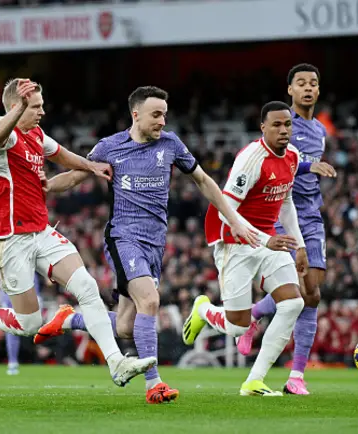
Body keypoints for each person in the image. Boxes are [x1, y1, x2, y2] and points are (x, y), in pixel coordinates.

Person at [33, 85, 252, 404]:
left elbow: (203, 181)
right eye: (156, 114)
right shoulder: (111, 147)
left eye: (164, 114)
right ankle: (155, 384)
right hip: (123, 237)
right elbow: (76, 175)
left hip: (155, 242)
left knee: (126, 326)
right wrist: (47, 187)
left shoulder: (172, 144)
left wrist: (232, 218)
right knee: (150, 301)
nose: (163, 121)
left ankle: (70, 319)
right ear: (136, 114)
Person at [0, 78, 156, 387]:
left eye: (41, 105)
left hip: (40, 232)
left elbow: (59, 154)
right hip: (9, 239)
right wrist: (19, 108)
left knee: (86, 287)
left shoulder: (35, 134)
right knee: (28, 324)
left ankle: (117, 363)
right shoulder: (0, 134)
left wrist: (91, 167)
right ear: (15, 108)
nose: (42, 111)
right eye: (35, 107)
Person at [183, 101, 313, 396]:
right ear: (263, 128)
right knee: (239, 327)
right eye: (276, 125)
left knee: (293, 303)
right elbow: (225, 209)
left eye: (288, 124)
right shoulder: (251, 160)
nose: (283, 130)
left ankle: (254, 381)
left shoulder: (292, 156)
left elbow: (287, 202)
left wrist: (300, 245)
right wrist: (266, 239)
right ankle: (204, 310)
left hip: (267, 239)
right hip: (233, 240)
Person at [237, 63, 336, 395]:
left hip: (311, 213)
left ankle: (255, 314)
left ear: (318, 91)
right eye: (301, 83)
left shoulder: (320, 130)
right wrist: (310, 165)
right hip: (281, 210)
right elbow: (282, 158)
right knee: (304, 293)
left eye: (313, 83)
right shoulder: (281, 123)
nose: (308, 88)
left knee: (314, 292)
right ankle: (296, 376)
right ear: (290, 90)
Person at [0, 248, 41, 375]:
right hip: (9, 281)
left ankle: (39, 356)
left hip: (29, 279)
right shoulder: (3, 232)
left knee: (34, 324)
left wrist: (49, 273)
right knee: (11, 324)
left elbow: (42, 249)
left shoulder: (29, 232)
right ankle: (13, 361)